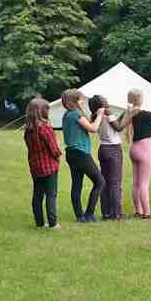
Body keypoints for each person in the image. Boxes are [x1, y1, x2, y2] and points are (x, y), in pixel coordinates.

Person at [60, 89, 106, 223]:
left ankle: (79, 216)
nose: (83, 101)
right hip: (80, 153)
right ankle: (89, 214)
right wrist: (100, 115)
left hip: (71, 153)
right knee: (100, 181)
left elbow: (86, 123)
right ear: (75, 100)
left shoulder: (67, 114)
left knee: (77, 185)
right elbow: (93, 129)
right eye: (80, 99)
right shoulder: (75, 114)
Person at [121, 88, 151, 219]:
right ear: (141, 99)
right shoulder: (144, 114)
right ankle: (147, 213)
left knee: (136, 183)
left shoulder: (129, 113)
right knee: (144, 184)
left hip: (133, 149)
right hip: (144, 151)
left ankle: (138, 210)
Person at [23, 98, 62, 230]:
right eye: (47, 109)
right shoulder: (45, 128)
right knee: (51, 194)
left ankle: (39, 222)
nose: (49, 112)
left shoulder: (28, 129)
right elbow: (54, 148)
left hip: (35, 165)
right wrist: (58, 157)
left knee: (38, 194)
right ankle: (53, 223)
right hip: (49, 166)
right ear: (41, 111)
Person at [88, 95, 125, 221]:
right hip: (113, 149)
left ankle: (106, 213)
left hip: (103, 148)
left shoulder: (96, 115)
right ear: (102, 103)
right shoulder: (108, 111)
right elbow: (118, 127)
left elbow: (115, 124)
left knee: (106, 182)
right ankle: (116, 214)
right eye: (105, 99)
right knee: (115, 183)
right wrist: (130, 115)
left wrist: (124, 114)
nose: (107, 100)